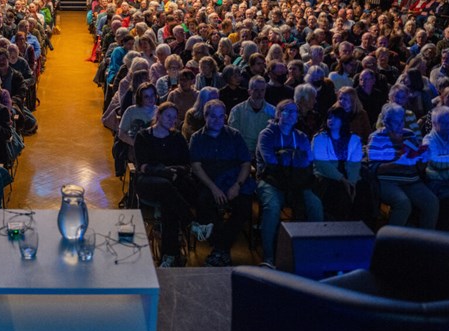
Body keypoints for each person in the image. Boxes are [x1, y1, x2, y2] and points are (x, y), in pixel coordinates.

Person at [133, 102, 203, 267]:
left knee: (168, 203)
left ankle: (169, 256)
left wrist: (172, 171)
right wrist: (165, 172)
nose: (172, 120)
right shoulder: (143, 136)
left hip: (172, 183)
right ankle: (190, 221)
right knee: (165, 186)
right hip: (148, 182)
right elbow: (142, 166)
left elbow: (186, 164)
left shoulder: (177, 137)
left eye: (174, 117)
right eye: (168, 116)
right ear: (159, 115)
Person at [256, 99, 324, 266]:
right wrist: (294, 156)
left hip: (297, 180)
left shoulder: (301, 136)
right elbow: (271, 162)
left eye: (295, 111)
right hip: (272, 180)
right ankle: (269, 256)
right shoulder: (266, 135)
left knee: (315, 204)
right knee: (272, 207)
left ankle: (315, 251)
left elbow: (308, 161)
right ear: (279, 114)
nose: (294, 115)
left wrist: (283, 155)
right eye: (289, 111)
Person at [189, 100, 254, 267]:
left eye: (220, 117)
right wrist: (214, 188)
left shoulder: (234, 135)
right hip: (208, 181)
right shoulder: (197, 138)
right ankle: (221, 249)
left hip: (233, 181)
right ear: (205, 117)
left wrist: (237, 185)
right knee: (204, 204)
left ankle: (220, 249)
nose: (217, 120)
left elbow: (246, 164)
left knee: (244, 207)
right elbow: (196, 167)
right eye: (213, 116)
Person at [366, 103, 438, 229]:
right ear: (386, 123)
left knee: (431, 202)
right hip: (388, 181)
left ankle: (426, 241)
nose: (401, 125)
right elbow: (374, 169)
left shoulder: (409, 135)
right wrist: (396, 163)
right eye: (396, 123)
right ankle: (391, 241)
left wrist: (424, 158)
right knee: (403, 203)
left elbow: (419, 166)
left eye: (401, 121)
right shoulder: (377, 137)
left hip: (411, 180)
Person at [312, 106, 373, 223]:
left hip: (348, 173)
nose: (331, 120)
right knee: (338, 190)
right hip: (326, 176)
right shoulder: (320, 138)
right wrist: (343, 180)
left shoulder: (354, 139)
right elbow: (322, 164)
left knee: (363, 189)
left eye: (335, 118)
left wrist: (352, 182)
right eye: (329, 117)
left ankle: (360, 231)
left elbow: (354, 164)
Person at [227, 75, 276, 153]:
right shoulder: (237, 111)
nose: (260, 93)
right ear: (249, 91)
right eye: (256, 90)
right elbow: (233, 135)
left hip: (265, 152)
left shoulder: (273, 111)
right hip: (244, 152)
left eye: (262, 90)